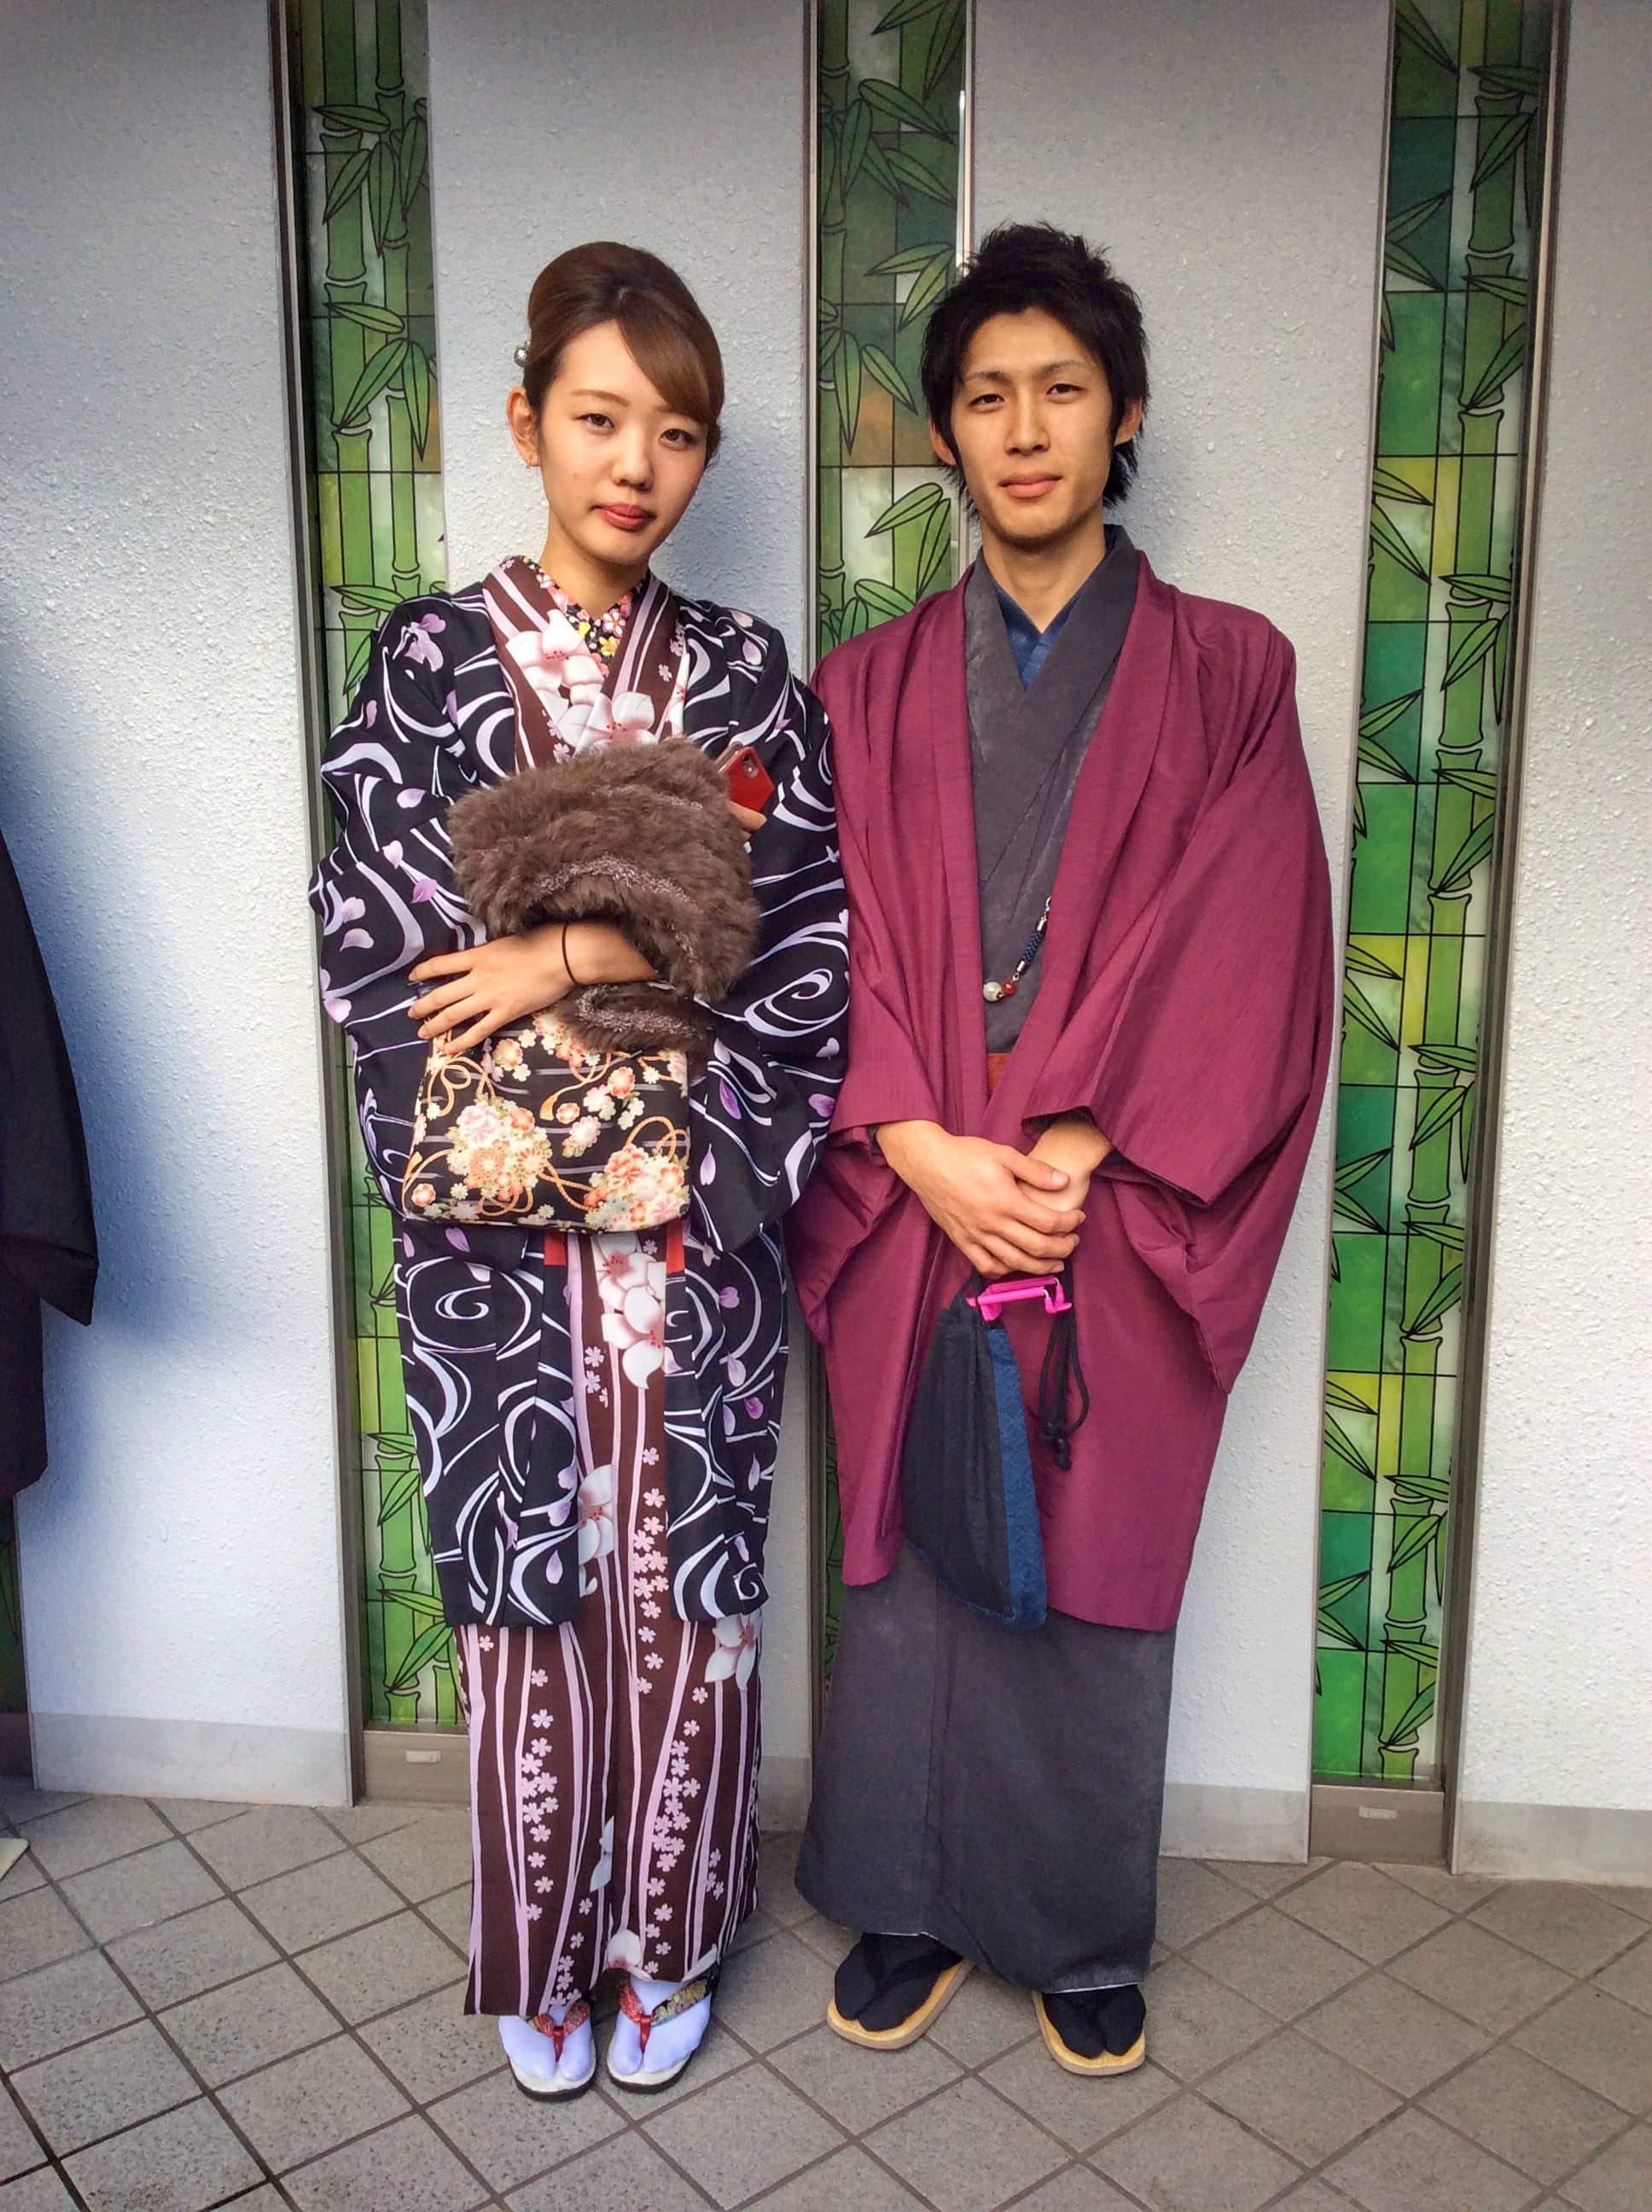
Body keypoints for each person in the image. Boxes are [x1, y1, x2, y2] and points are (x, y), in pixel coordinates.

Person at [788, 223, 1334, 2077]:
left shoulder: (1230, 671)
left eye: (1063, 391)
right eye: (985, 396)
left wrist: (1087, 1135)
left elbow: (1257, 930)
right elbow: (816, 940)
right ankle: (908, 1898)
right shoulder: (861, 689)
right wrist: (916, 1143)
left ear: (1125, 417)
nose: (1024, 431)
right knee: (908, 1545)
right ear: (945, 433)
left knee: (1096, 1539)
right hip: (917, 1181)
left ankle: (1077, 1923)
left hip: (1117, 1190)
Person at [311, 242, 846, 2099]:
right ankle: (546, 1951)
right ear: (525, 420)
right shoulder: (425, 665)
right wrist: (646, 944)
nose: (636, 464)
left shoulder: (748, 681)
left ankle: (669, 1938)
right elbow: (383, 945)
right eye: (601, 419)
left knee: (689, 1591)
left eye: (677, 433)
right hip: (498, 1251)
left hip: (694, 1237)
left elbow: (793, 936)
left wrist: (563, 948)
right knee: (529, 1590)